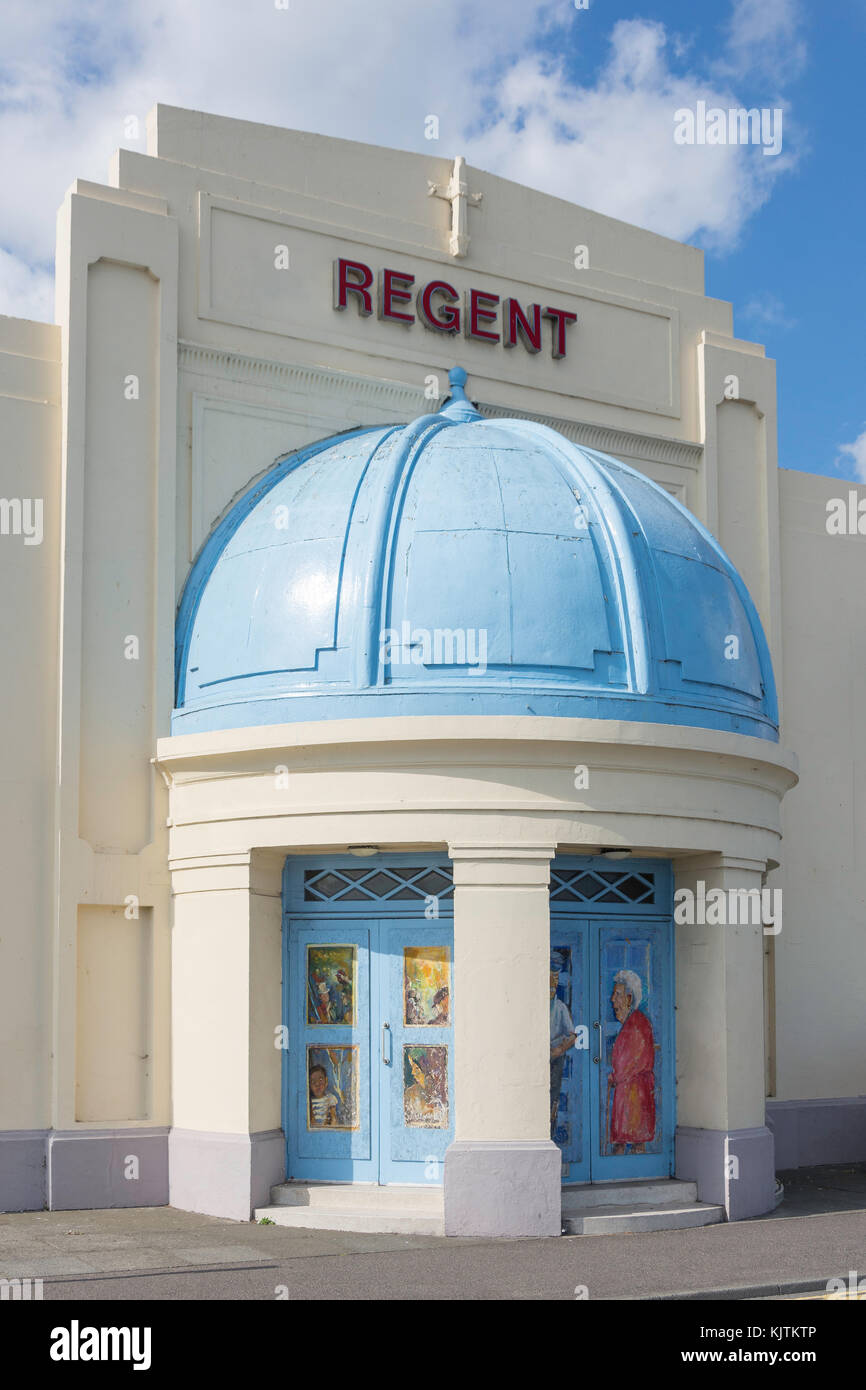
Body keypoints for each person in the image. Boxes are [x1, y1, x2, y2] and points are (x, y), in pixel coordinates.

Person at [608, 969, 656, 1154]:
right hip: (630, 1096)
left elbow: (629, 1062)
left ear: (629, 998)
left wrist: (614, 1076)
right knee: (630, 1142)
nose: (613, 1000)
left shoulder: (637, 1025)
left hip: (634, 1098)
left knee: (631, 1143)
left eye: (617, 995)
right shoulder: (633, 1023)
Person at [550, 958, 577, 1137]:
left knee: (552, 1100)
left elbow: (572, 1035)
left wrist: (560, 1049)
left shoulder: (560, 1008)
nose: (553, 982)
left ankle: (550, 1135)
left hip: (555, 1061)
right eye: (550, 977)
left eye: (556, 977)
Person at [308, 1063, 338, 1127]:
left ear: (326, 1081)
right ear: (309, 1085)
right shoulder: (309, 1100)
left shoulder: (330, 1098)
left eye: (321, 1080)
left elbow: (334, 1119)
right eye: (313, 1082)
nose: (317, 1084)